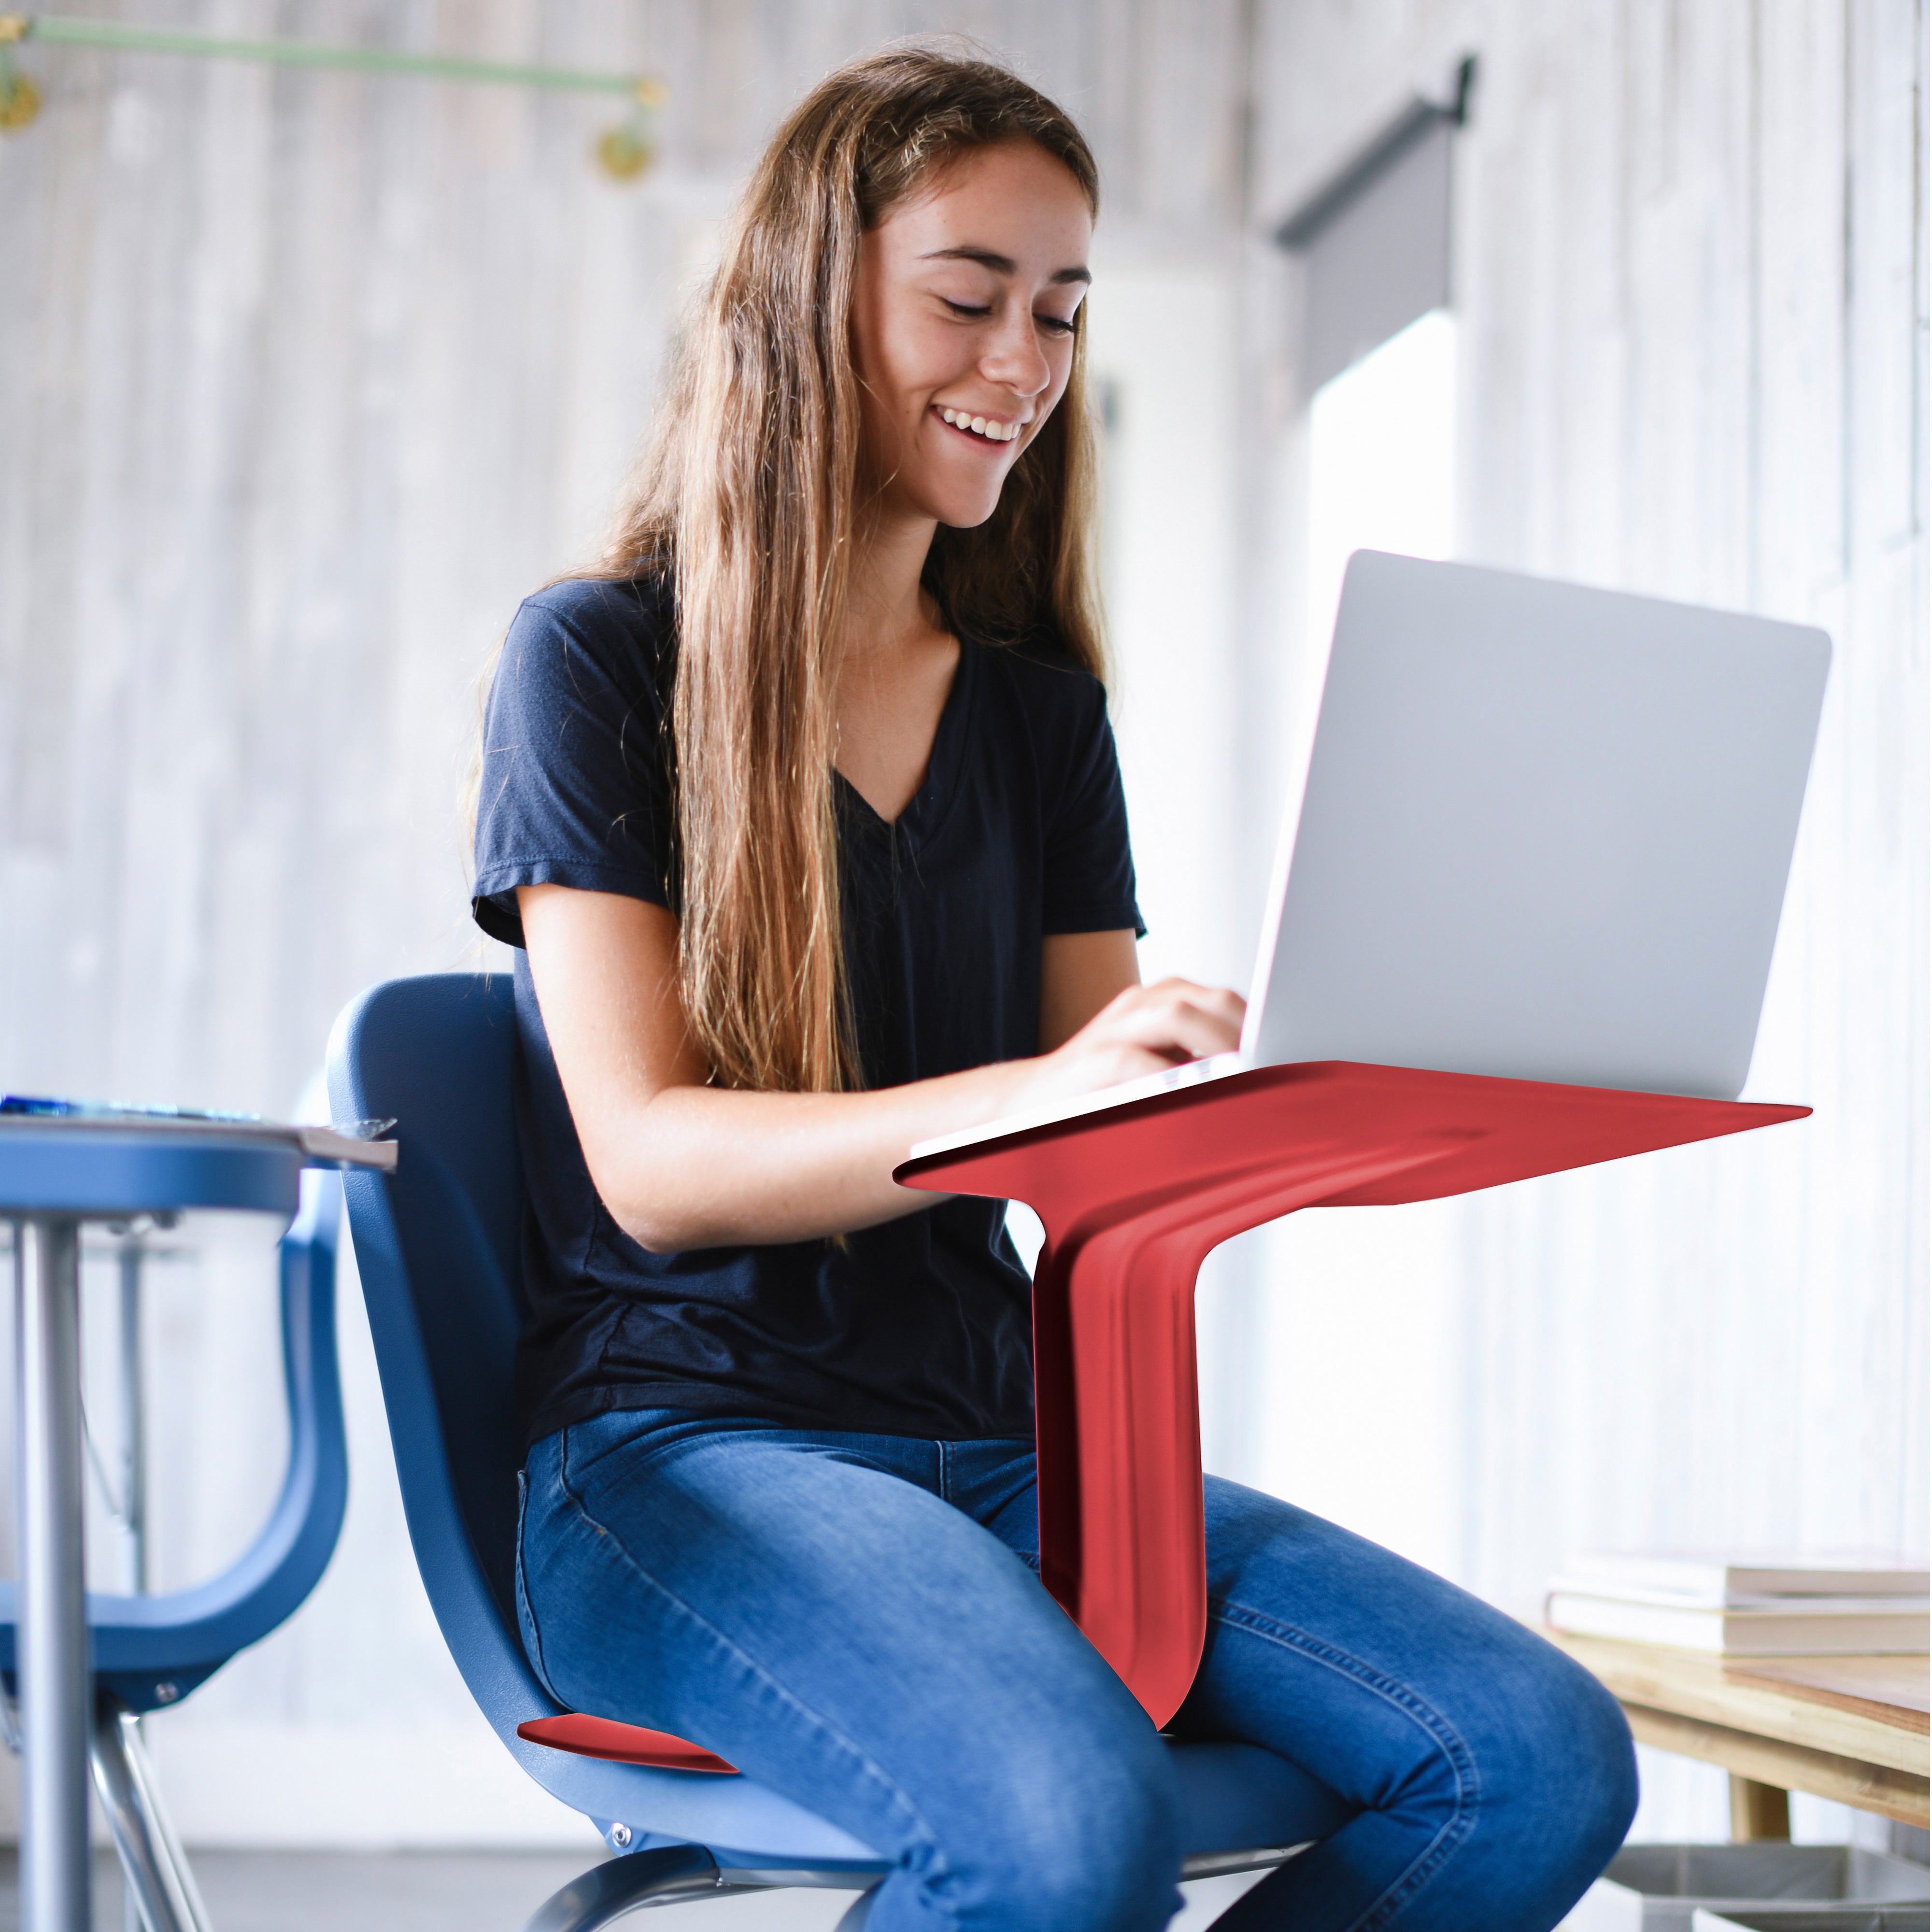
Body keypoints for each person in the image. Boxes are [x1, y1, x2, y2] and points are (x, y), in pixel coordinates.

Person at [471, 43, 1637, 1932]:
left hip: (1011, 1443)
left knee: (1533, 1753)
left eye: (1062, 314)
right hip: (684, 1447)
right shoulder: (597, 659)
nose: (1021, 366)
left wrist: (1325, 1089)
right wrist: (1037, 1091)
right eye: (967, 299)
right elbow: (654, 1164)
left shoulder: (1035, 716)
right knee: (1066, 1821)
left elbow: (1102, 1140)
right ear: (808, 295)